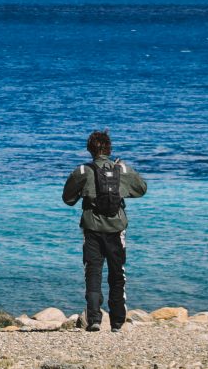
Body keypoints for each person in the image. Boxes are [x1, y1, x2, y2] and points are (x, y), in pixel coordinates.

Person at [61, 130, 146, 331]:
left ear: (90, 149)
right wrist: (121, 186)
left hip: (91, 227)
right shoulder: (121, 169)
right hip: (117, 228)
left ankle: (94, 320)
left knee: (93, 273)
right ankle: (117, 322)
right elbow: (141, 189)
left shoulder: (83, 170)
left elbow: (68, 198)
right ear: (109, 148)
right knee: (117, 274)